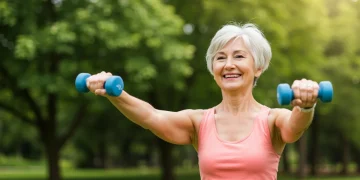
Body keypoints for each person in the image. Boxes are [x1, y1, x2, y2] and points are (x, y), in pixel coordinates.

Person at [85, 23, 319, 180]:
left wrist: (306, 104)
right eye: (220, 58)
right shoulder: (198, 122)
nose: (228, 64)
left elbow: (294, 127)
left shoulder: (272, 120)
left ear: (258, 67)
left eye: (239, 56)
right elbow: (150, 115)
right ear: (213, 68)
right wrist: (115, 93)